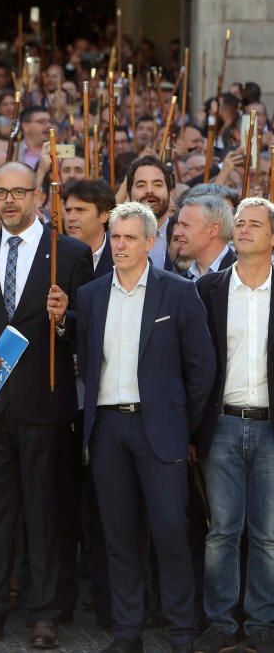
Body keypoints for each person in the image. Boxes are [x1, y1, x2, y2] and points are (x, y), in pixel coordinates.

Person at [0, 161, 93, 649]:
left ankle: (45, 612)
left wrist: (63, 318)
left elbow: (86, 329)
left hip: (45, 401)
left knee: (44, 510)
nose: (9, 200)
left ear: (38, 196)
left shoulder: (69, 253)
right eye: (0, 192)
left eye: (18, 192)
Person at [75, 201, 215, 653]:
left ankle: (180, 632)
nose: (120, 245)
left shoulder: (177, 292)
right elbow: (87, 363)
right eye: (115, 236)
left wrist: (181, 424)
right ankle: (127, 632)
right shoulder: (91, 295)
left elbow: (201, 369)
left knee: (171, 532)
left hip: (161, 432)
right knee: (118, 536)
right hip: (108, 430)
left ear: (150, 242)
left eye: (130, 237)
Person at [194, 197, 274, 653]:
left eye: (254, 224)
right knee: (222, 531)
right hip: (221, 425)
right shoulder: (209, 290)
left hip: (269, 427)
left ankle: (263, 623)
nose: (243, 229)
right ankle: (220, 622)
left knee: (267, 534)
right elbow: (198, 366)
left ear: (272, 236)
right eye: (239, 223)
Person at [171, 194, 236, 280]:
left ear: (213, 230)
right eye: (179, 224)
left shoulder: (240, 276)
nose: (176, 233)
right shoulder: (180, 282)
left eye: (185, 225)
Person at [63, 179, 115, 278]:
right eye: (68, 210)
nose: (71, 217)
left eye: (80, 210)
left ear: (104, 215)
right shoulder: (54, 257)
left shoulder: (121, 256)